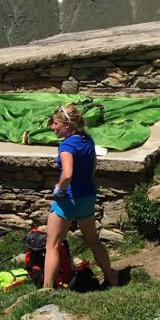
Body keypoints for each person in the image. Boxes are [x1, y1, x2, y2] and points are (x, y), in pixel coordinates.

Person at [45, 103, 118, 289]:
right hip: (87, 198)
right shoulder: (88, 140)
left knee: (52, 245)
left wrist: (59, 189)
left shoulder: (66, 146)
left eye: (55, 124)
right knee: (93, 240)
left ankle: (47, 289)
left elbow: (67, 174)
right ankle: (111, 278)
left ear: (67, 125)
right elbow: (93, 165)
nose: (53, 127)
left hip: (68, 201)